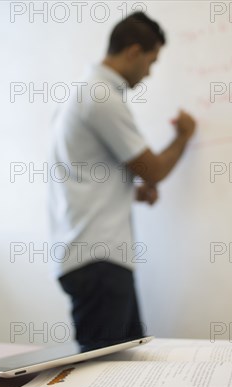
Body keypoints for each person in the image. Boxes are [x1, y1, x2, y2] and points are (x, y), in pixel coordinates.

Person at [48, 12, 196, 346]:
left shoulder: (81, 95)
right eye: (151, 61)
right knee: (106, 377)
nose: (148, 73)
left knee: (123, 368)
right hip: (100, 262)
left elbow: (84, 179)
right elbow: (154, 169)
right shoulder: (102, 97)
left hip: (88, 258)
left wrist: (132, 193)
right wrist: (184, 136)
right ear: (133, 52)